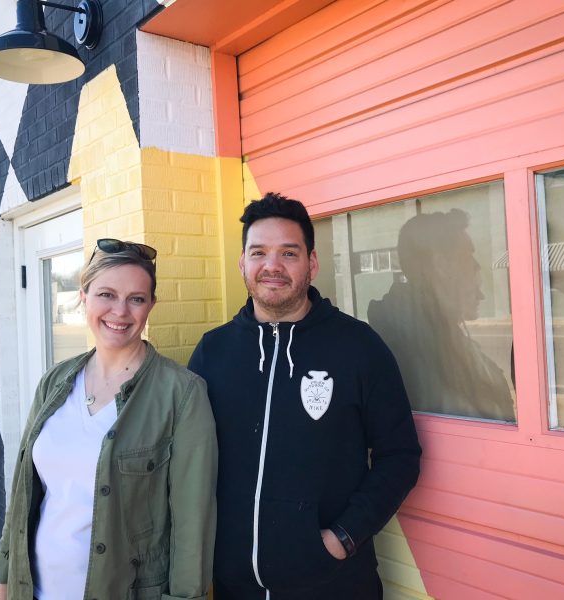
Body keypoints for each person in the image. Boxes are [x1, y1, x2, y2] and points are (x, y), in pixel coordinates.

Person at [188, 193, 421, 600]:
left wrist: (343, 537)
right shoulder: (213, 351)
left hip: (333, 584)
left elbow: (399, 455)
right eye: (259, 252)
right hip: (234, 585)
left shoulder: (359, 347)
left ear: (311, 263)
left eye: (288, 253)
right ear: (242, 263)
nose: (272, 266)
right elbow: (191, 460)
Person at [0, 238, 217, 600]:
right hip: (33, 589)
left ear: (151, 305)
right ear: (84, 297)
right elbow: (23, 493)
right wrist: (4, 582)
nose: (120, 311)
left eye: (136, 299)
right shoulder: (54, 381)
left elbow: (193, 524)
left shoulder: (182, 393)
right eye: (106, 294)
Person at [367, 210, 515, 420]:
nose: (477, 267)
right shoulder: (411, 343)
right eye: (469, 256)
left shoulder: (439, 330)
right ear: (441, 264)